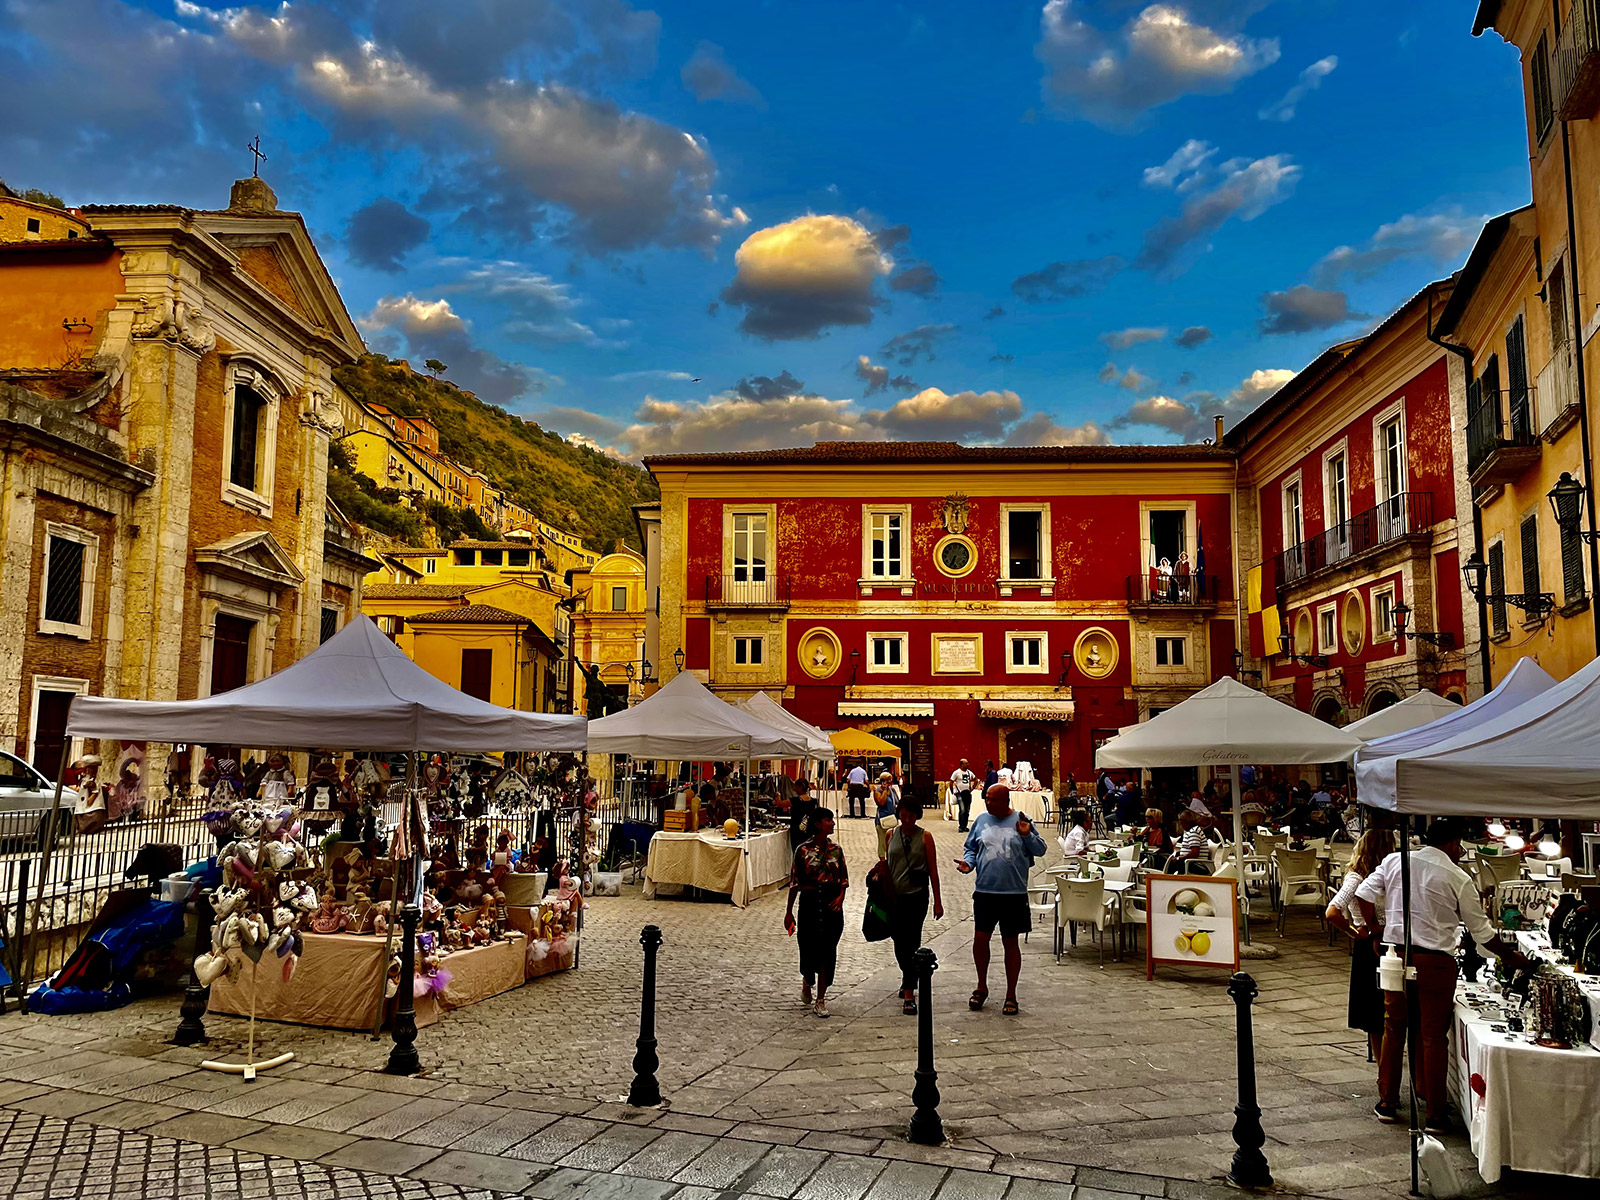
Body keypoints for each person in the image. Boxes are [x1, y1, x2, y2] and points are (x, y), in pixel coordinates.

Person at [1355, 817, 1529, 1130]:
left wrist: (1374, 930)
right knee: (1433, 1036)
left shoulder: (1396, 861)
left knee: (1394, 1029)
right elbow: (1481, 932)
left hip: (1396, 956)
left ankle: (1387, 1102)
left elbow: (1363, 894)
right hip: (1435, 962)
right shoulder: (1456, 876)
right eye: (1459, 844)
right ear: (1450, 843)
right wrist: (1510, 957)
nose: (1461, 850)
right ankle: (1435, 1113)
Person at [955, 783, 1047, 1015]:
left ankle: (1011, 994)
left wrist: (1027, 835)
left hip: (1013, 894)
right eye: (986, 798)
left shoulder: (1021, 819)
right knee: (980, 939)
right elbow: (971, 848)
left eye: (992, 799)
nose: (988, 802)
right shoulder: (981, 820)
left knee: (1010, 943)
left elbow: (1040, 849)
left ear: (1006, 800)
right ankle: (981, 986)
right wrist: (969, 864)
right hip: (985, 891)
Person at [1326, 826, 1395, 1064]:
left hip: (1369, 943)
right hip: (1379, 940)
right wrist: (1355, 929)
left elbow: (1334, 912)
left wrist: (1352, 930)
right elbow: (1332, 911)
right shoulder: (1363, 878)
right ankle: (1385, 1063)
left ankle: (1383, 1064)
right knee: (1381, 1011)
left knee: (1374, 1014)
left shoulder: (1360, 875)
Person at [880, 796, 944, 1014]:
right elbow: (888, 864)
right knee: (899, 942)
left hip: (917, 896)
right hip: (895, 898)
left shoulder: (925, 837)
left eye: (911, 816)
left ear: (917, 815)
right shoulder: (891, 835)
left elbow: (933, 871)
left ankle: (909, 992)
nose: (907, 820)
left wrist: (938, 902)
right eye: (903, 816)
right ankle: (908, 975)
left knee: (912, 941)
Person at [785, 807, 849, 1018]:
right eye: (828, 820)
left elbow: (843, 879)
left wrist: (840, 898)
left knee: (828, 950)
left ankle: (821, 998)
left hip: (831, 905)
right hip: (810, 903)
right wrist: (789, 912)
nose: (832, 823)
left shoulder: (836, 850)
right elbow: (794, 882)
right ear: (818, 824)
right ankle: (807, 979)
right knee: (808, 946)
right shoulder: (802, 850)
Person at [788, 777, 816, 854]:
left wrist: (778, 795)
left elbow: (779, 803)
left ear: (800, 787)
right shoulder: (813, 801)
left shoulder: (795, 801)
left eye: (796, 787)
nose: (795, 789)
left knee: (797, 852)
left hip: (796, 830)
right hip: (808, 829)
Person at [949, 758, 977, 832]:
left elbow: (975, 779)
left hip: (967, 793)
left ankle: (965, 826)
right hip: (960, 794)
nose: (968, 764)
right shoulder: (956, 772)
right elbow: (951, 781)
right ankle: (961, 826)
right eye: (966, 763)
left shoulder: (969, 772)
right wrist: (952, 791)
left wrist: (972, 788)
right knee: (962, 810)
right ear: (961, 764)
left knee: (967, 810)